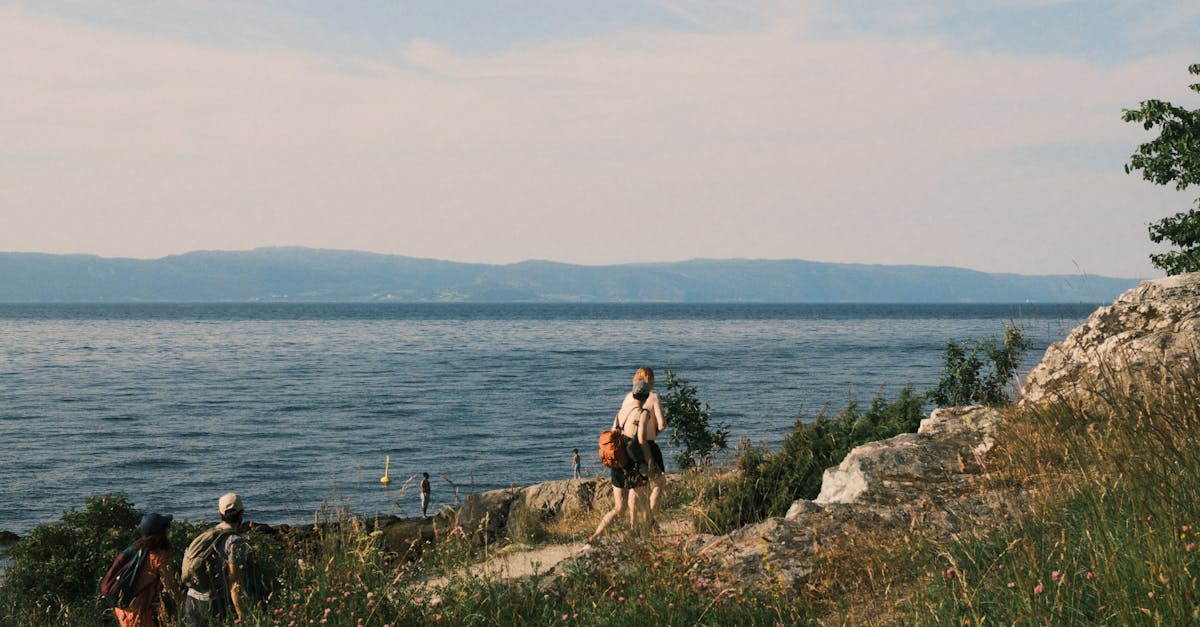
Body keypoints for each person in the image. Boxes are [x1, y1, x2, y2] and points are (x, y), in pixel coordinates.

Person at [586, 372, 659, 544]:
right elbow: (641, 439)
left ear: (633, 394)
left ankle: (595, 536)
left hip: (618, 462)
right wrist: (649, 460)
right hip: (633, 464)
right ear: (646, 396)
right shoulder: (643, 413)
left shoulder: (621, 412)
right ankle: (644, 536)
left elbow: (614, 433)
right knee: (642, 502)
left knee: (619, 508)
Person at [182, 493, 248, 627]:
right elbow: (234, 582)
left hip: (191, 598)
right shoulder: (235, 541)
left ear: (219, 513)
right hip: (214, 603)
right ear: (241, 512)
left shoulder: (207, 535)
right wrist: (242, 614)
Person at [113, 512, 182, 627]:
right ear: (160, 533)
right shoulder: (159, 556)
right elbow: (169, 585)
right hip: (139, 613)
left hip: (123, 610)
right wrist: (182, 603)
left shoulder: (135, 549)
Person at [621, 367, 667, 527]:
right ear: (651, 380)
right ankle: (650, 519)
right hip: (648, 446)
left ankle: (633, 523)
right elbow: (662, 424)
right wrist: (654, 432)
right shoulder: (653, 397)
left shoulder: (629, 397)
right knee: (659, 482)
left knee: (635, 486)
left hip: (629, 446)